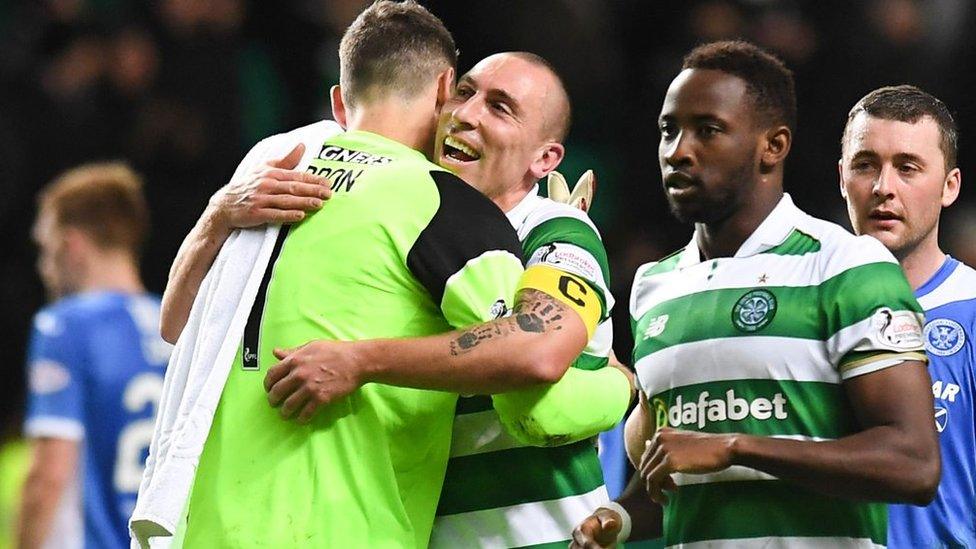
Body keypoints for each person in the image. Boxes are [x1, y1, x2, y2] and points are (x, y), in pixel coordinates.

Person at [166, 48, 632, 547]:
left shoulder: (551, 230)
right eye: (465, 92)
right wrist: (219, 213)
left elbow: (537, 381)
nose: (467, 114)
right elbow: (180, 330)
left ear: (545, 159)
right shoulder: (402, 218)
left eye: (499, 108)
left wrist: (624, 386)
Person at [571, 40, 939, 548]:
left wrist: (739, 447)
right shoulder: (653, 287)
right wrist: (620, 518)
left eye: (708, 130)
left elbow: (914, 465)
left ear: (774, 145)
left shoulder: (845, 266)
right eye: (668, 130)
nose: (678, 150)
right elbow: (678, 473)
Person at [839, 85, 973, 548]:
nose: (883, 187)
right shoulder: (803, 309)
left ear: (949, 186)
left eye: (908, 168)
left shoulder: (972, 313)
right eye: (865, 165)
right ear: (842, 178)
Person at [16, 162, 171, 549]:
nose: (43, 267)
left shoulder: (67, 325)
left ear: (72, 244)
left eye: (45, 248)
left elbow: (49, 475)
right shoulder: (177, 328)